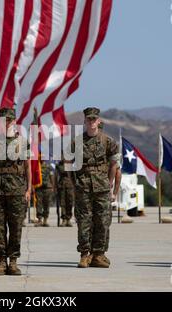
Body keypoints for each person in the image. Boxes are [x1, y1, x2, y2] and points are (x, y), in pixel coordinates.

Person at [70, 107, 119, 268]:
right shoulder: (76, 143)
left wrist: (110, 183)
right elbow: (70, 167)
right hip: (83, 187)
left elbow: (113, 165)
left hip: (102, 187)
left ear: (98, 121)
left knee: (103, 221)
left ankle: (98, 254)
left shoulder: (108, 141)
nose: (91, 122)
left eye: (94, 119)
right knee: (84, 221)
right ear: (84, 121)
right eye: (88, 119)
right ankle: (85, 254)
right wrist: (75, 184)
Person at [0, 107, 31, 275]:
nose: (5, 123)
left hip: (17, 190)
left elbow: (28, 166)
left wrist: (28, 189)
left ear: (14, 121)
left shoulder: (23, 142)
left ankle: (13, 261)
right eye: (2, 120)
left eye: (8, 120)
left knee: (16, 227)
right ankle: (2, 262)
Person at [34, 160, 54, 227]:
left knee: (46, 204)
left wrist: (52, 186)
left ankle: (45, 220)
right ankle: (40, 220)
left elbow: (51, 176)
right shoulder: (37, 166)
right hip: (38, 187)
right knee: (38, 204)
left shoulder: (49, 166)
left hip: (47, 188)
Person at [56, 156, 75, 227]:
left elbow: (74, 176)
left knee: (70, 202)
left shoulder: (72, 165)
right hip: (61, 186)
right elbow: (56, 176)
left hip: (70, 185)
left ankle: (68, 219)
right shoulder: (59, 165)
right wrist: (55, 186)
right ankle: (64, 219)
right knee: (62, 203)